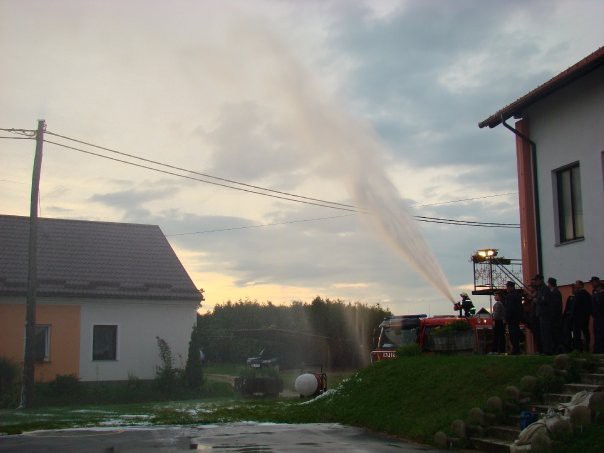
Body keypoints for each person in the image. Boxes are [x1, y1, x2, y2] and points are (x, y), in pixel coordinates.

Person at [533, 274, 554, 355]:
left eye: (537, 280)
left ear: (541, 280)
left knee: (545, 333)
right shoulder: (540, 289)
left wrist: (536, 300)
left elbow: (544, 299)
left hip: (545, 313)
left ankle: (547, 350)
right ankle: (544, 350)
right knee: (543, 333)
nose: (536, 282)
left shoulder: (544, 288)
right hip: (541, 313)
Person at [571, 280, 592, 352]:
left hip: (579, 317)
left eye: (576, 284)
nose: (575, 285)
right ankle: (582, 347)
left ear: (580, 285)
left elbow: (577, 306)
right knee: (582, 332)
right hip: (582, 317)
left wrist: (573, 315)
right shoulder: (585, 294)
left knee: (579, 333)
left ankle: (579, 348)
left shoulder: (581, 294)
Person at [504, 281, 523, 354]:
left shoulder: (510, 296)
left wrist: (507, 317)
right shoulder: (517, 295)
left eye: (508, 286)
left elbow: (509, 308)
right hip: (516, 317)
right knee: (515, 333)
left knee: (513, 334)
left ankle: (515, 349)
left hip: (512, 318)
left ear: (511, 287)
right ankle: (516, 349)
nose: (507, 288)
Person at [548, 277, 563, 353]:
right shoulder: (554, 292)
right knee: (554, 333)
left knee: (556, 333)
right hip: (554, 316)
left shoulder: (555, 293)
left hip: (555, 317)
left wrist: (552, 315)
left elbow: (556, 306)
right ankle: (555, 347)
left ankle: (557, 348)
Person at [562, 284, 575, 352]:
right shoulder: (570, 297)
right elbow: (567, 307)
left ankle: (574, 346)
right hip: (567, 318)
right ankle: (568, 346)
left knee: (574, 333)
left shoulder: (577, 297)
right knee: (567, 333)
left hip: (574, 318)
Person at [592, 280, 604, 353]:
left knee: (599, 333)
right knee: (598, 333)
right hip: (598, 317)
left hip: (599, 317)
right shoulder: (596, 295)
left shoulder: (598, 296)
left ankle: (599, 349)